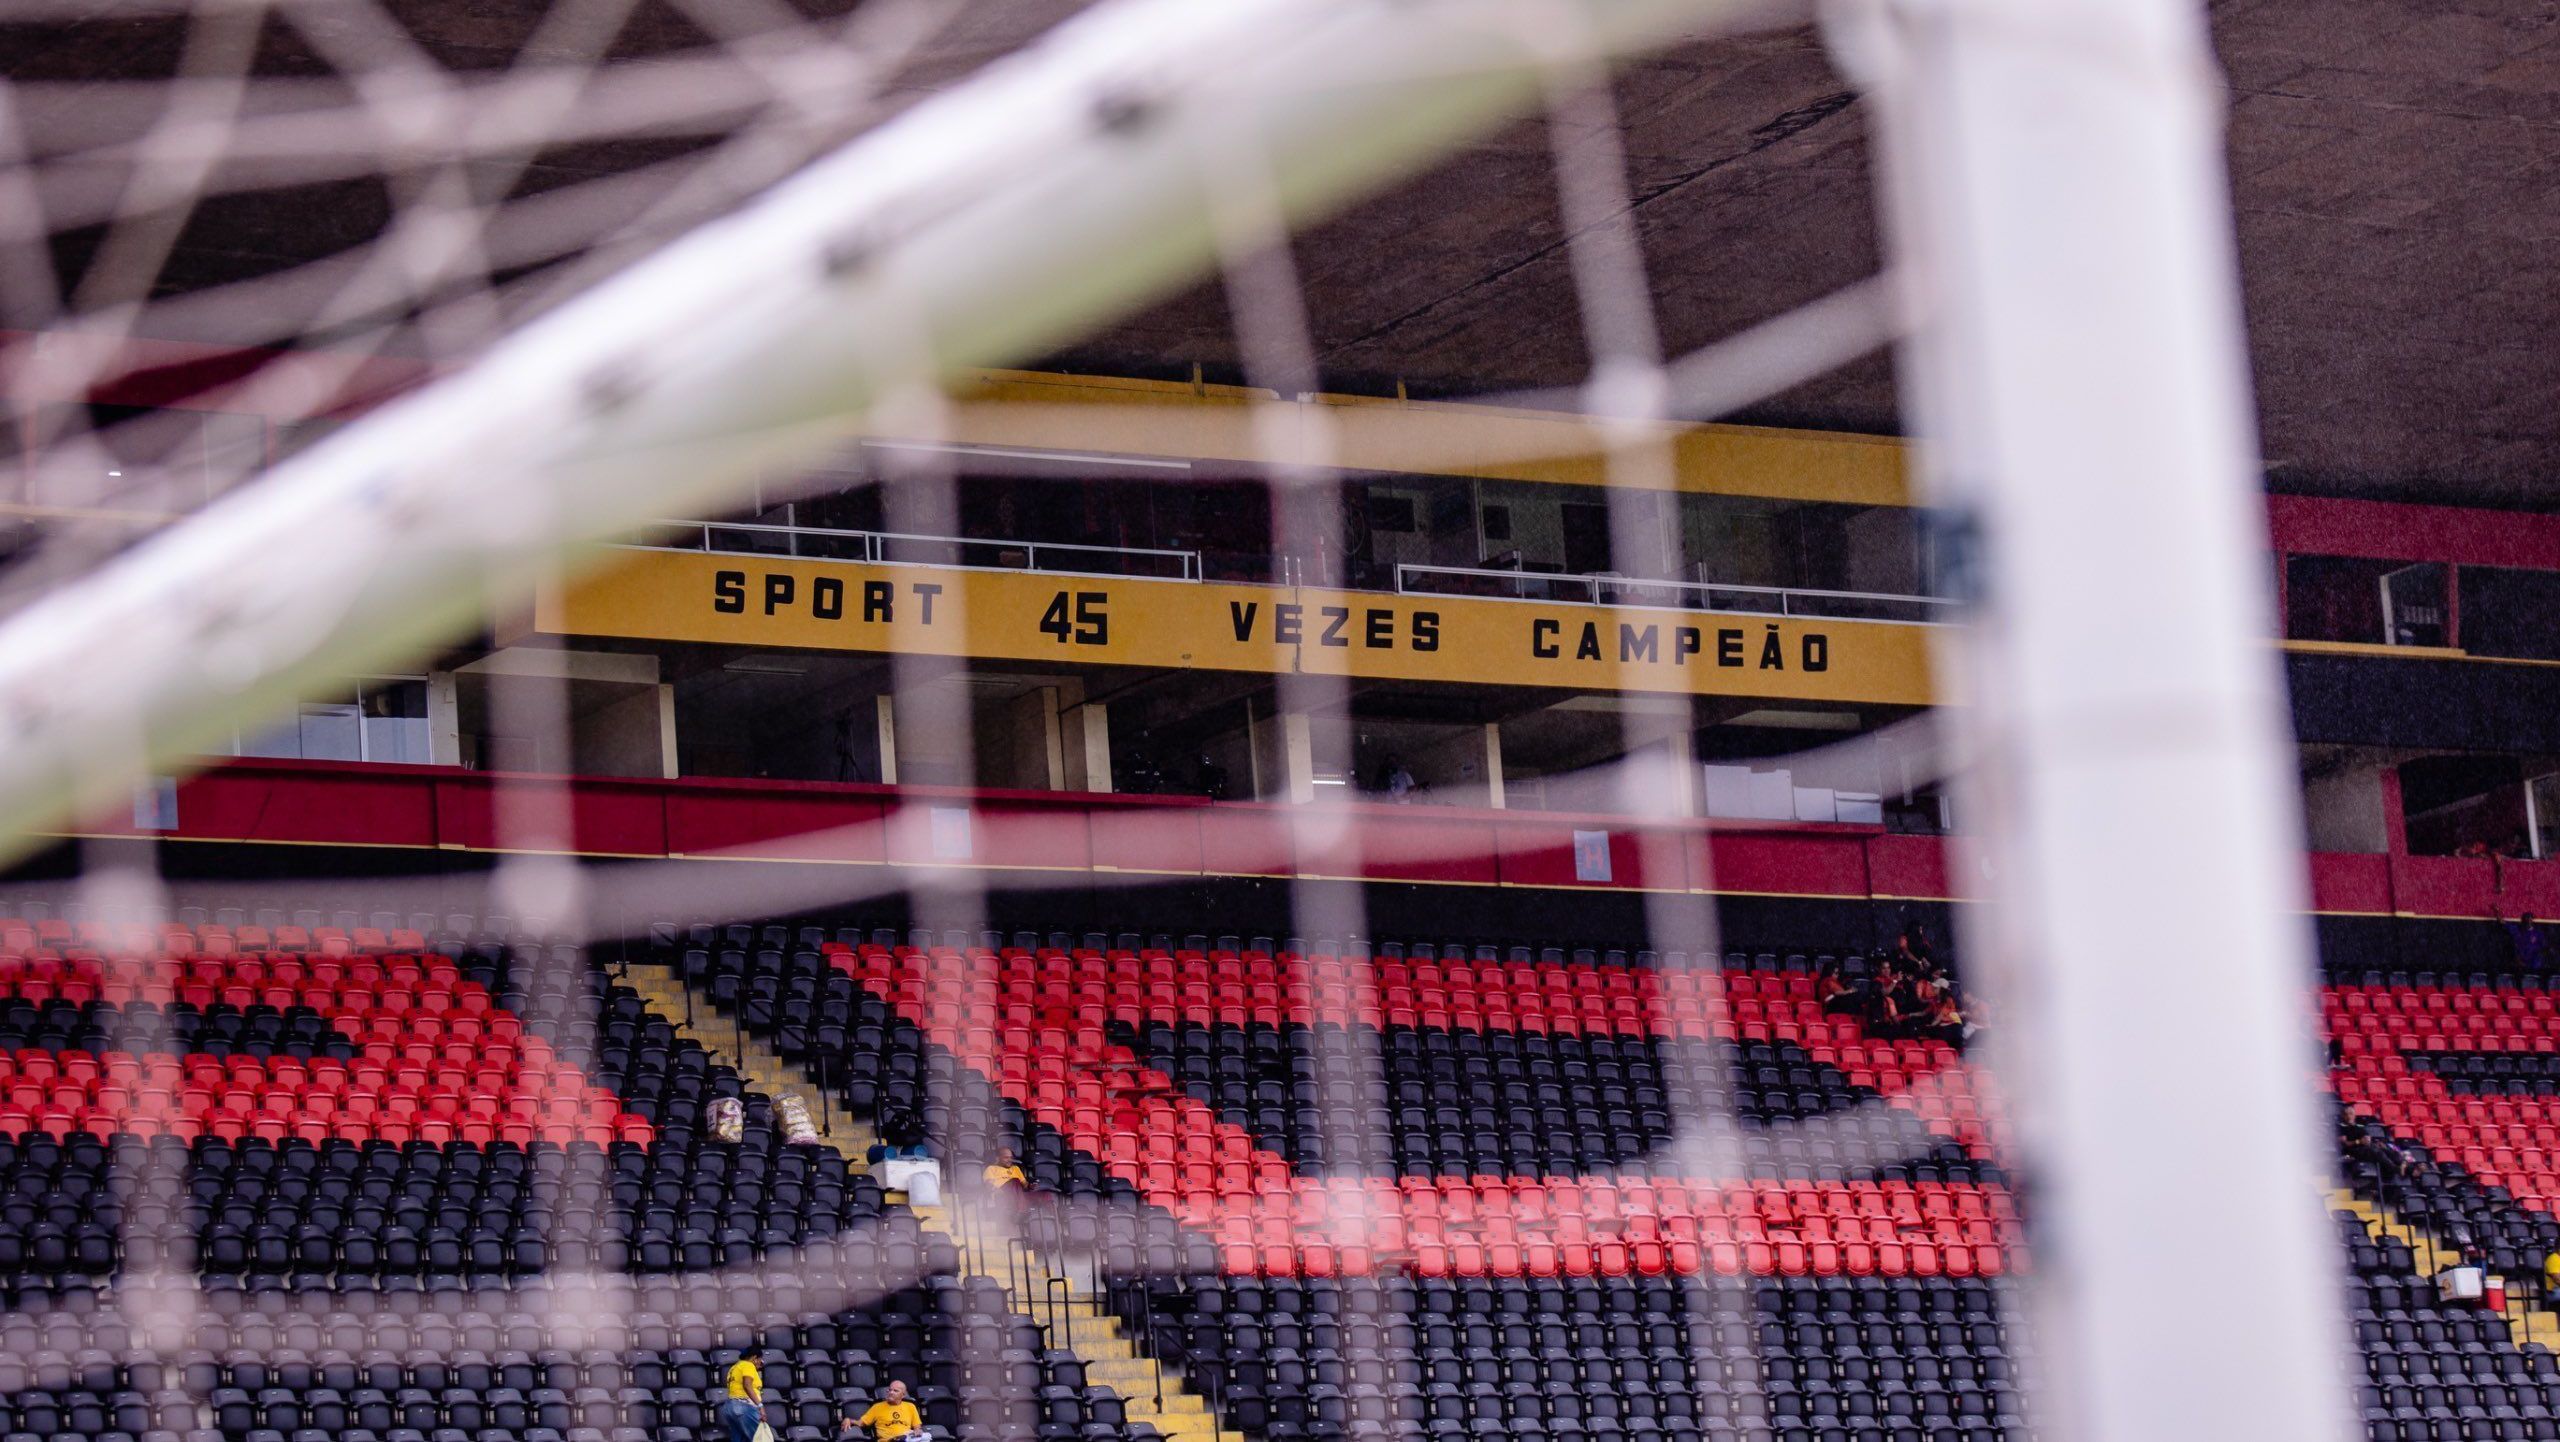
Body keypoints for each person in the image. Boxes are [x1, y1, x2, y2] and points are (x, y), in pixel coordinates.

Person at [847, 1380, 923, 1442]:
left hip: (907, 1439)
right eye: (889, 1390)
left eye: (895, 1391)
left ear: (903, 1395)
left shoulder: (910, 1406)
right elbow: (861, 1423)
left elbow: (917, 1426)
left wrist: (917, 1431)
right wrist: (849, 1420)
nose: (891, 1392)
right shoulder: (877, 1407)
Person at [718, 1345, 766, 1442]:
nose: (761, 1362)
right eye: (760, 1359)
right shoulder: (748, 1365)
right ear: (754, 1358)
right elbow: (747, 1385)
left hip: (730, 1407)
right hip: (744, 1407)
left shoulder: (734, 1367)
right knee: (760, 1439)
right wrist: (760, 1406)